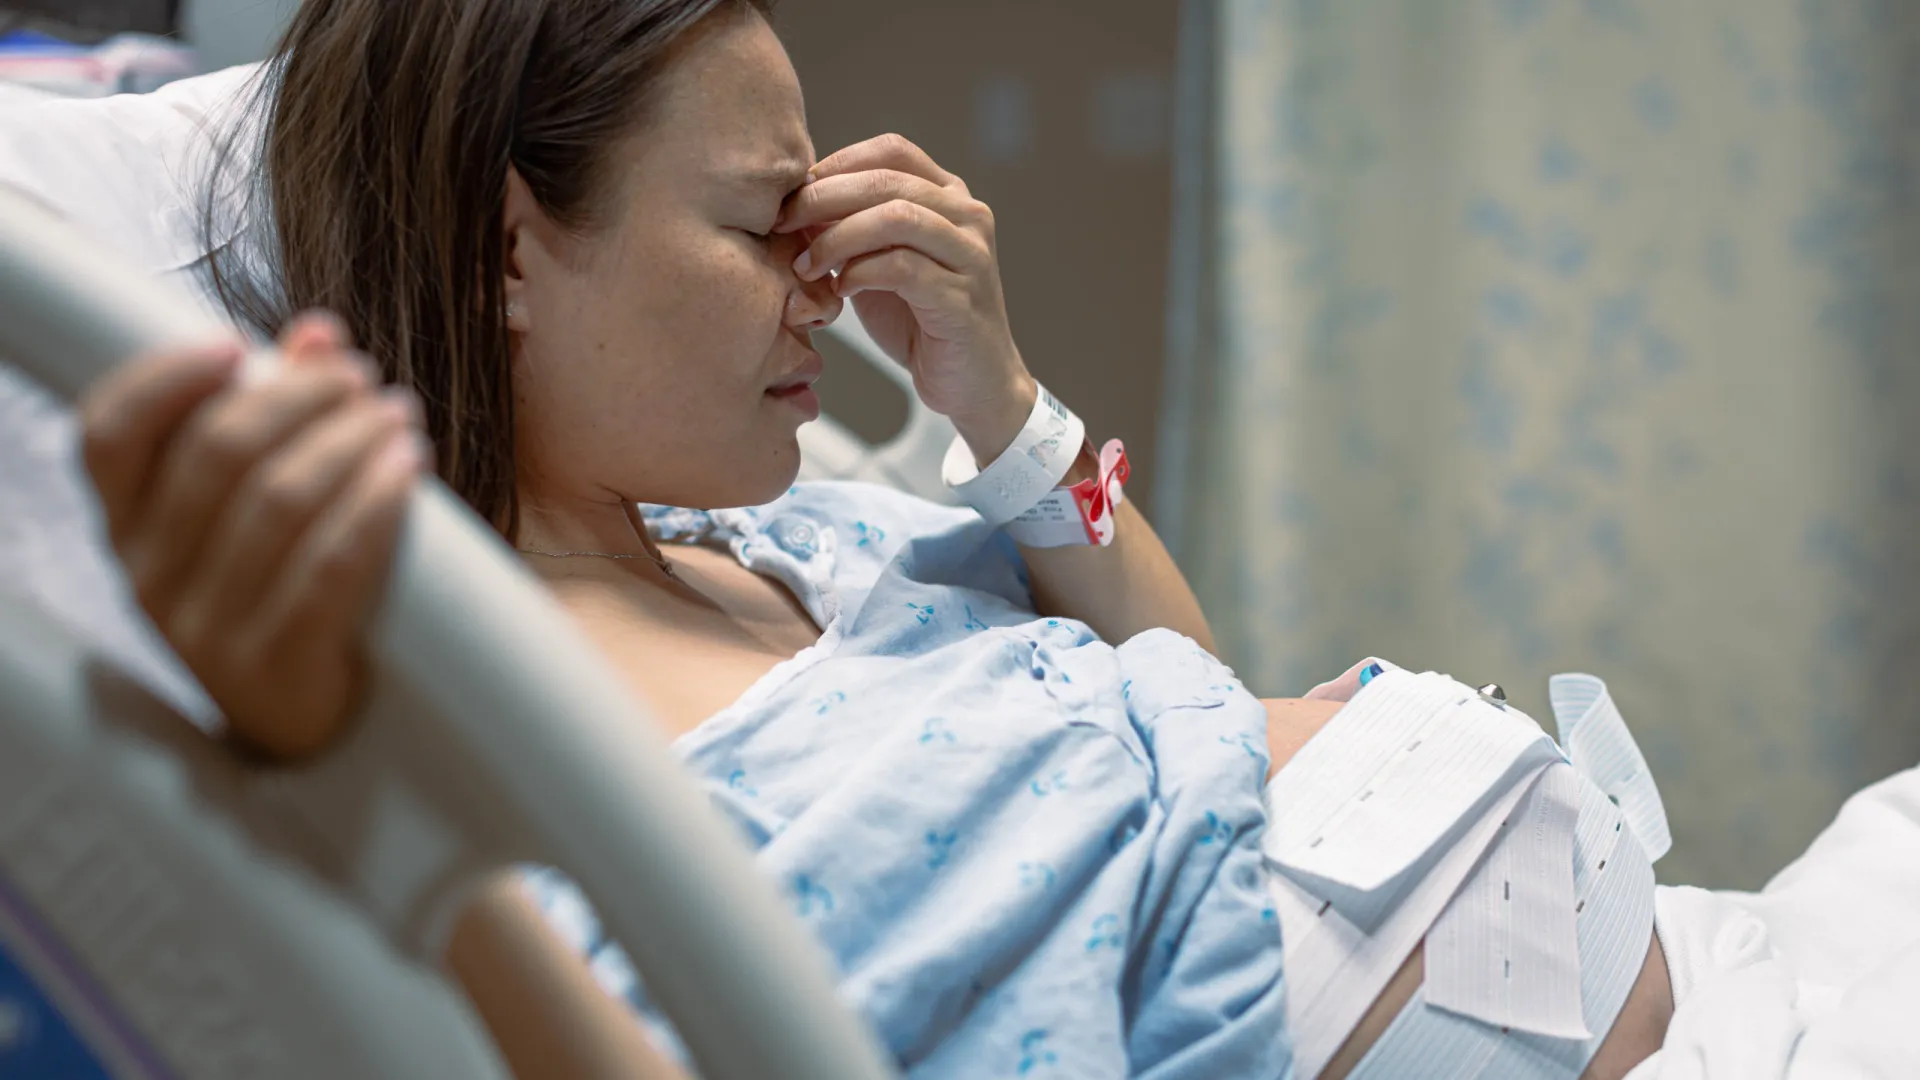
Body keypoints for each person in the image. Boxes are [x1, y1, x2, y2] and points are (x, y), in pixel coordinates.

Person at [71, 1, 1673, 1076]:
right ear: (507, 252)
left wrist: (1010, 408)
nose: (822, 285)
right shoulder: (473, 723)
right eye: (761, 225)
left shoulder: (789, 536)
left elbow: (1191, 694)